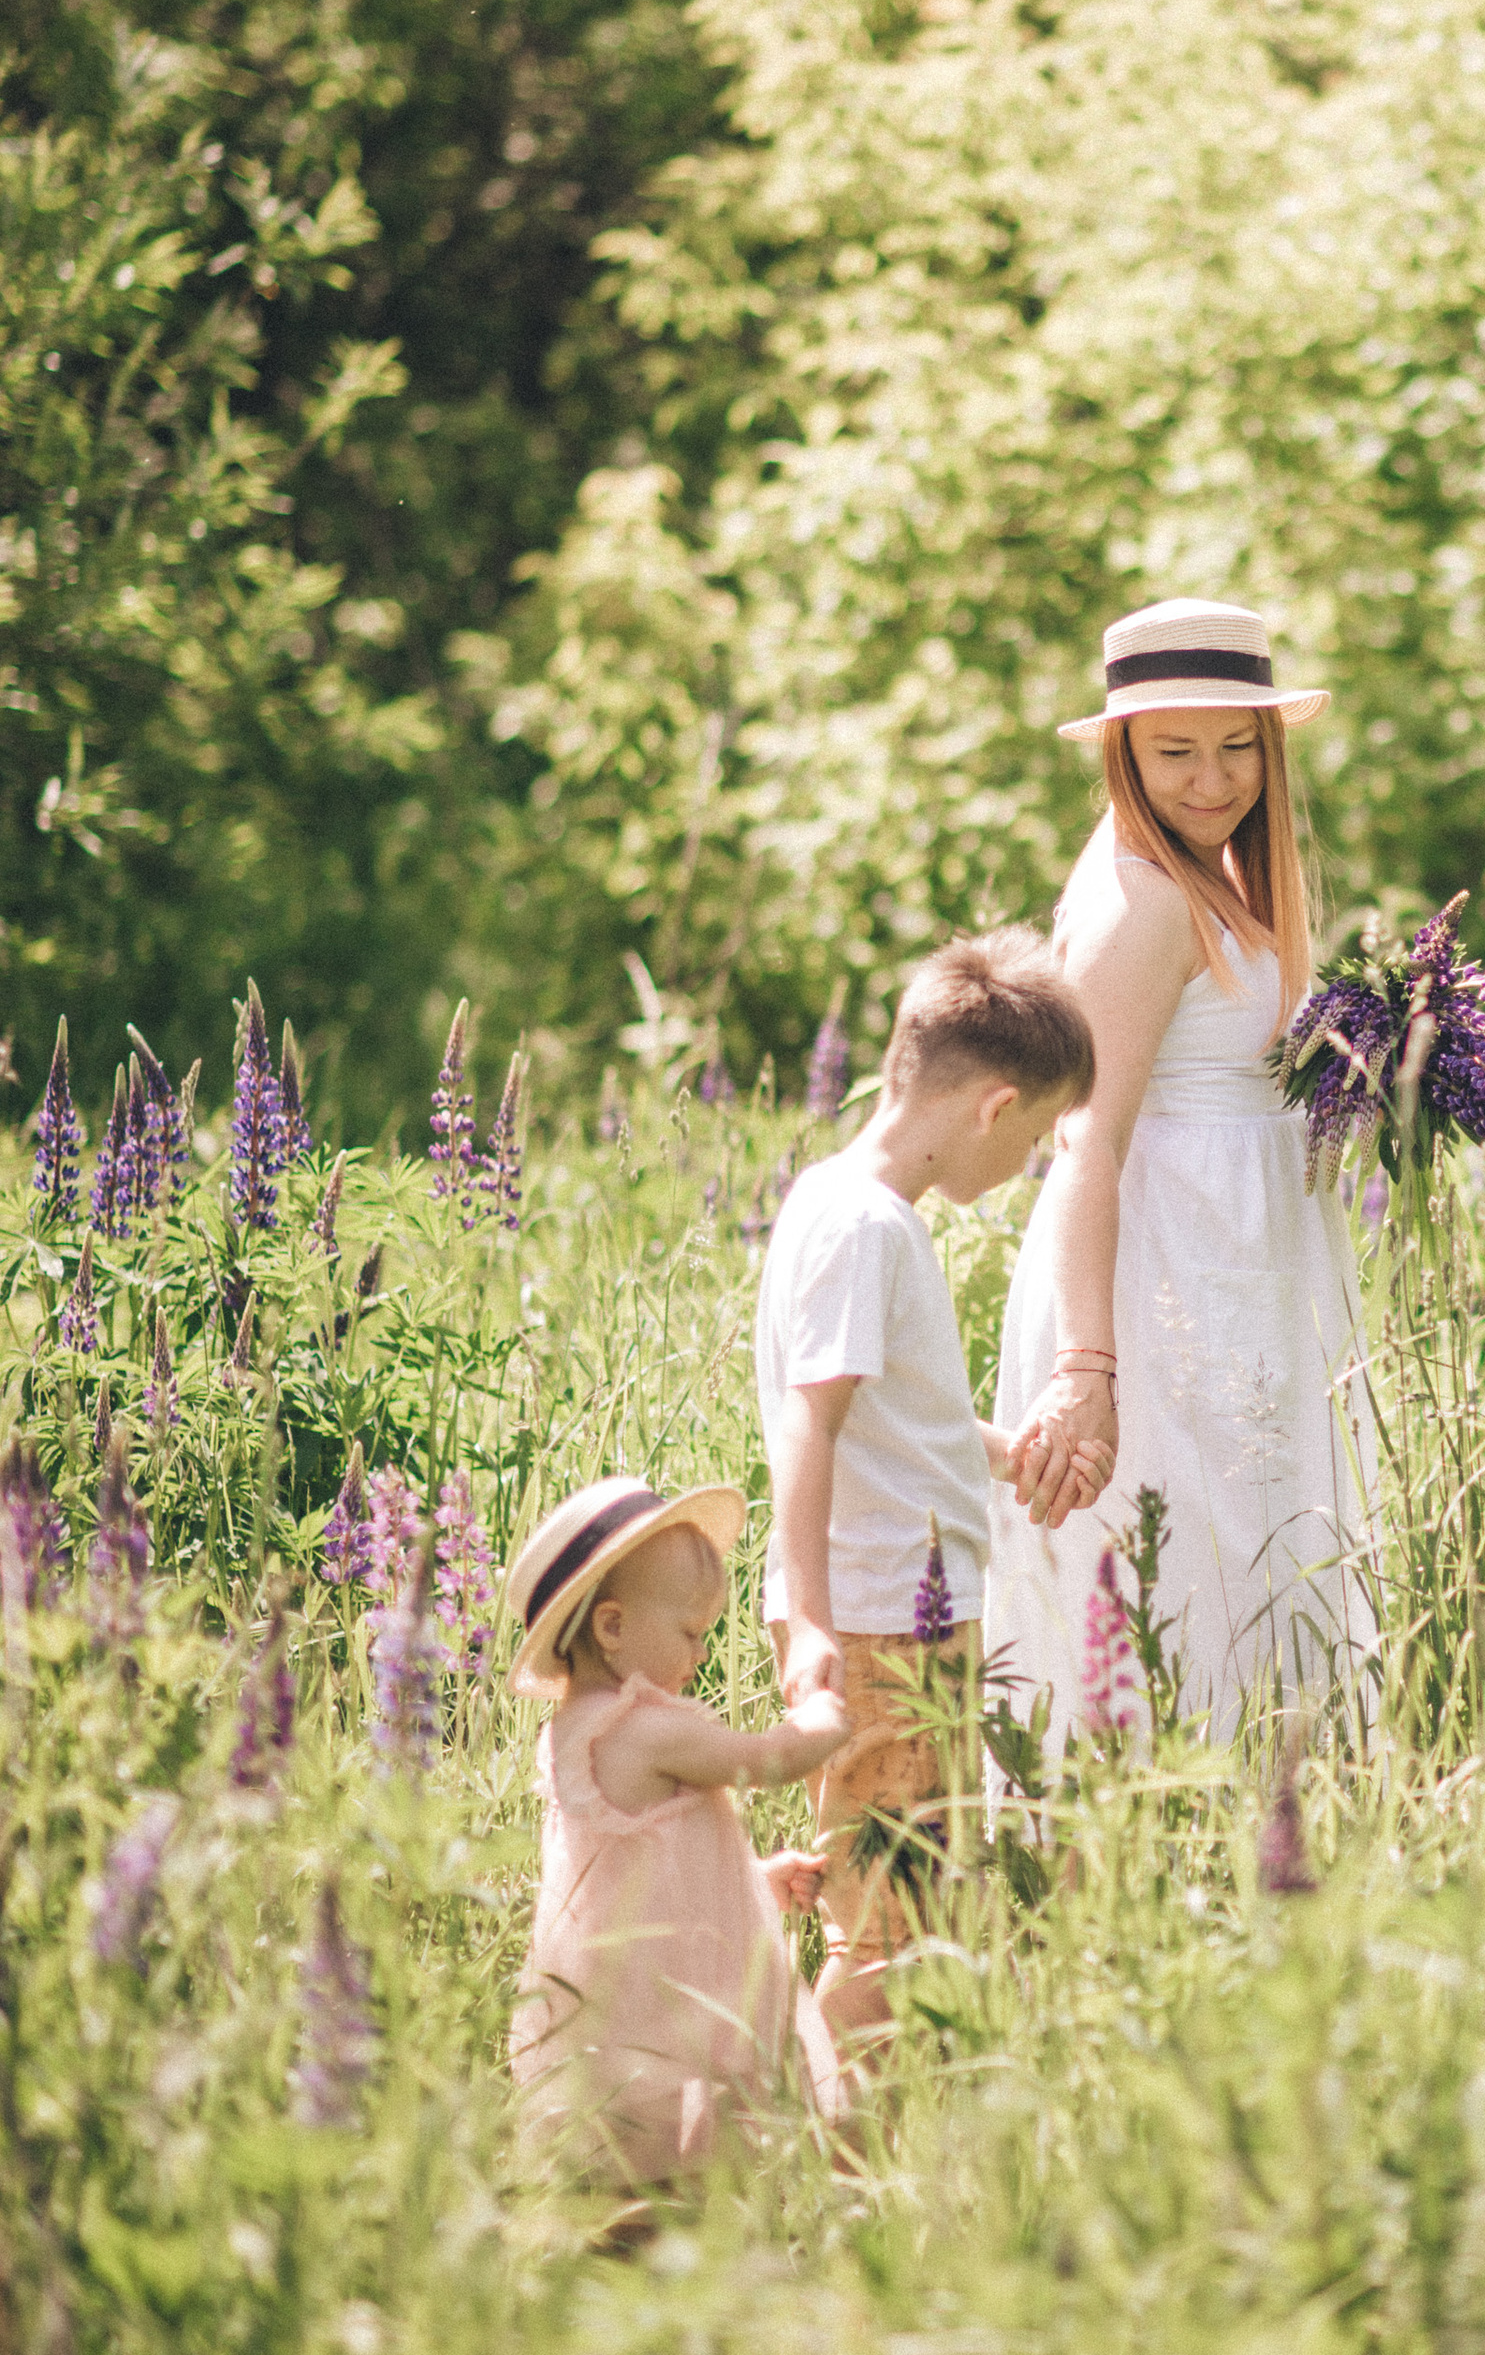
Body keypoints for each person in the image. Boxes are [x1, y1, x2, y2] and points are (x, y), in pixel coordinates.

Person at [990, 595, 1377, 1752]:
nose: (1212, 779)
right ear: (1124, 751)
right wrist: (1087, 1367)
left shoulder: (1214, 878)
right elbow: (1085, 1140)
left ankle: (1260, 1835)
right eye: (1175, 752)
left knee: (1246, 1546)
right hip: (1163, 1276)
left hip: (1236, 1258)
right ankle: (1157, 1845)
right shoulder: (1143, 899)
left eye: (1236, 747)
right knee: (1176, 1563)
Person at [759, 929, 1096, 2051]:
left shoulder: (837, 1197)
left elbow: (893, 1412)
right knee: (890, 1930)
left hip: (900, 1617)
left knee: (911, 1907)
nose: (1032, 1159)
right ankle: (838, 2160)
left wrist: (1002, 1452)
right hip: (879, 1628)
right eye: (1041, 1134)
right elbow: (813, 1420)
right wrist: (808, 1616)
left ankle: (865, 2146)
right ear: (996, 1108)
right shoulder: (867, 1227)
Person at [505, 1477, 850, 2189]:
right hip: (662, 2006)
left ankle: (626, 2259)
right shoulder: (646, 1730)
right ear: (612, 1628)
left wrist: (753, 1882)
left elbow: (636, 1870)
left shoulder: (579, 1733)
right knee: (688, 2157)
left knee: (626, 2170)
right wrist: (822, 1720)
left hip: (611, 1998)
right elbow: (763, 1761)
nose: (698, 1655)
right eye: (690, 1634)